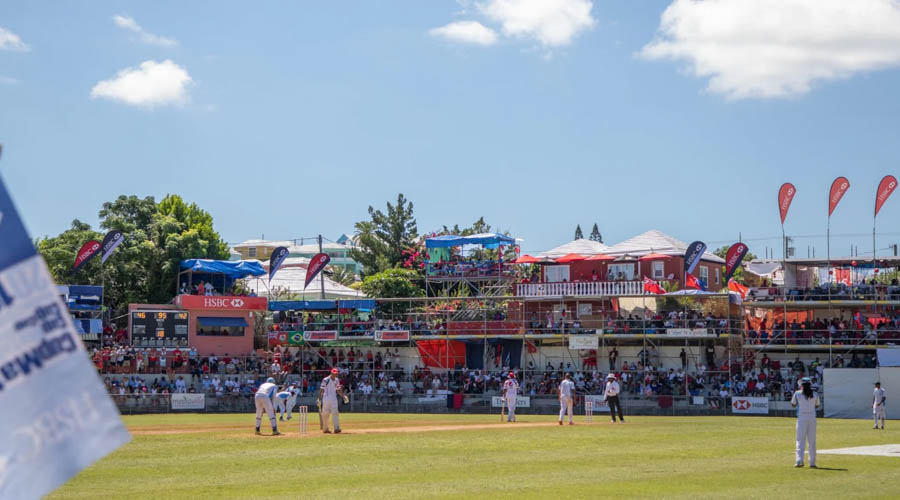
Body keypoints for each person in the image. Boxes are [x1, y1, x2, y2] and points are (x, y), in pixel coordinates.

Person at [791, 377, 819, 468]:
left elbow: (793, 404)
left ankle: (799, 460)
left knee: (800, 440)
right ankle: (812, 463)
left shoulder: (797, 393)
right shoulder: (815, 394)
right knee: (812, 441)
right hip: (812, 418)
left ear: (801, 385)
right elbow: (817, 406)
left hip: (802, 418)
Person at [318, 368, 349, 434]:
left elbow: (338, 389)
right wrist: (319, 399)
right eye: (334, 373)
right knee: (325, 415)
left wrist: (343, 396)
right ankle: (325, 429)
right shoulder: (326, 380)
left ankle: (336, 428)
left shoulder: (337, 380)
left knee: (335, 413)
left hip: (334, 399)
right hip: (326, 399)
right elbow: (321, 389)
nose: (335, 375)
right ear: (331, 373)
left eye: (336, 374)